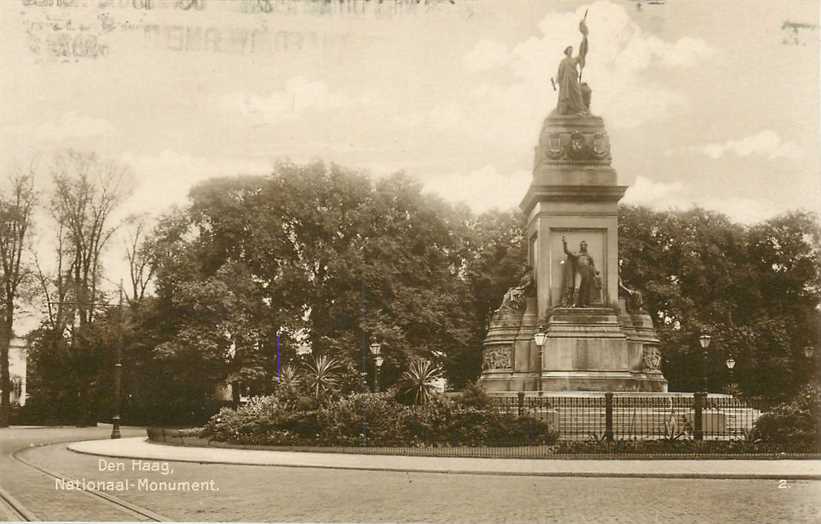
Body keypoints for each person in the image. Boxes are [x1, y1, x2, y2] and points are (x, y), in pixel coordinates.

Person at [555, 19, 589, 115]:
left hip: (573, 80)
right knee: (565, 96)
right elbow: (559, 72)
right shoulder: (563, 61)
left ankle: (580, 109)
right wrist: (557, 80)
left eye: (571, 49)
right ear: (566, 51)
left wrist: (584, 36)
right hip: (566, 82)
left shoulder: (574, 59)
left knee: (577, 93)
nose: (571, 51)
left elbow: (582, 52)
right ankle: (565, 109)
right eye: (569, 49)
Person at [561, 236, 599, 307]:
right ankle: (574, 303)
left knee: (585, 289)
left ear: (586, 246)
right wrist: (564, 243)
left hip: (586, 273)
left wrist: (595, 272)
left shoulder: (589, 256)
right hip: (579, 272)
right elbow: (567, 251)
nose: (583, 246)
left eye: (584, 245)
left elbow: (592, 265)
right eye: (582, 245)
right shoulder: (577, 254)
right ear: (580, 246)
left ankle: (583, 303)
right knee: (577, 288)